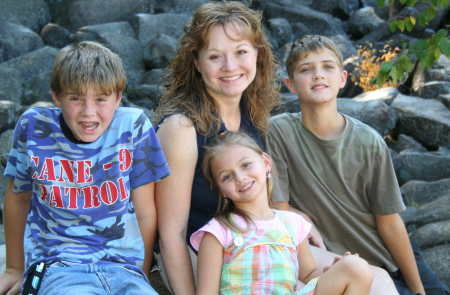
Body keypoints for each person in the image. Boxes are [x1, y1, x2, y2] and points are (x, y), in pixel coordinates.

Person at [267, 35, 450, 295]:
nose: (318, 75)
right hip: (345, 265)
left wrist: (418, 288)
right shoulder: (279, 131)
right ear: (290, 84)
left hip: (389, 253)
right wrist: (298, 213)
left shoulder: (368, 142)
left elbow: (390, 222)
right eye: (306, 69)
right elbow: (279, 207)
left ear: (342, 79)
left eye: (328, 67)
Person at [0, 41, 170, 295]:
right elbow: (18, 198)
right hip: (57, 265)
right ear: (56, 96)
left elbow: (145, 212)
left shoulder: (133, 126)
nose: (89, 112)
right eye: (76, 98)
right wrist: (14, 267)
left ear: (118, 97)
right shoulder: (33, 127)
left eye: (101, 99)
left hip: (122, 266)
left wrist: (142, 273)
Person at [154, 1, 279, 294]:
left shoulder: (252, 114)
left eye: (241, 52)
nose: (231, 67)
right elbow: (171, 234)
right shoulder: (182, 128)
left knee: (372, 277)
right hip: (203, 258)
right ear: (196, 62)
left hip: (255, 244)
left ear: (257, 55)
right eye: (215, 57)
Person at [190, 131, 373, 295]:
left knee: (355, 268)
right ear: (220, 190)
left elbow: (309, 274)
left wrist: (330, 273)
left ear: (266, 163)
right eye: (227, 177)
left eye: (246, 165)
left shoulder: (292, 223)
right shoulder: (219, 232)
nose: (240, 178)